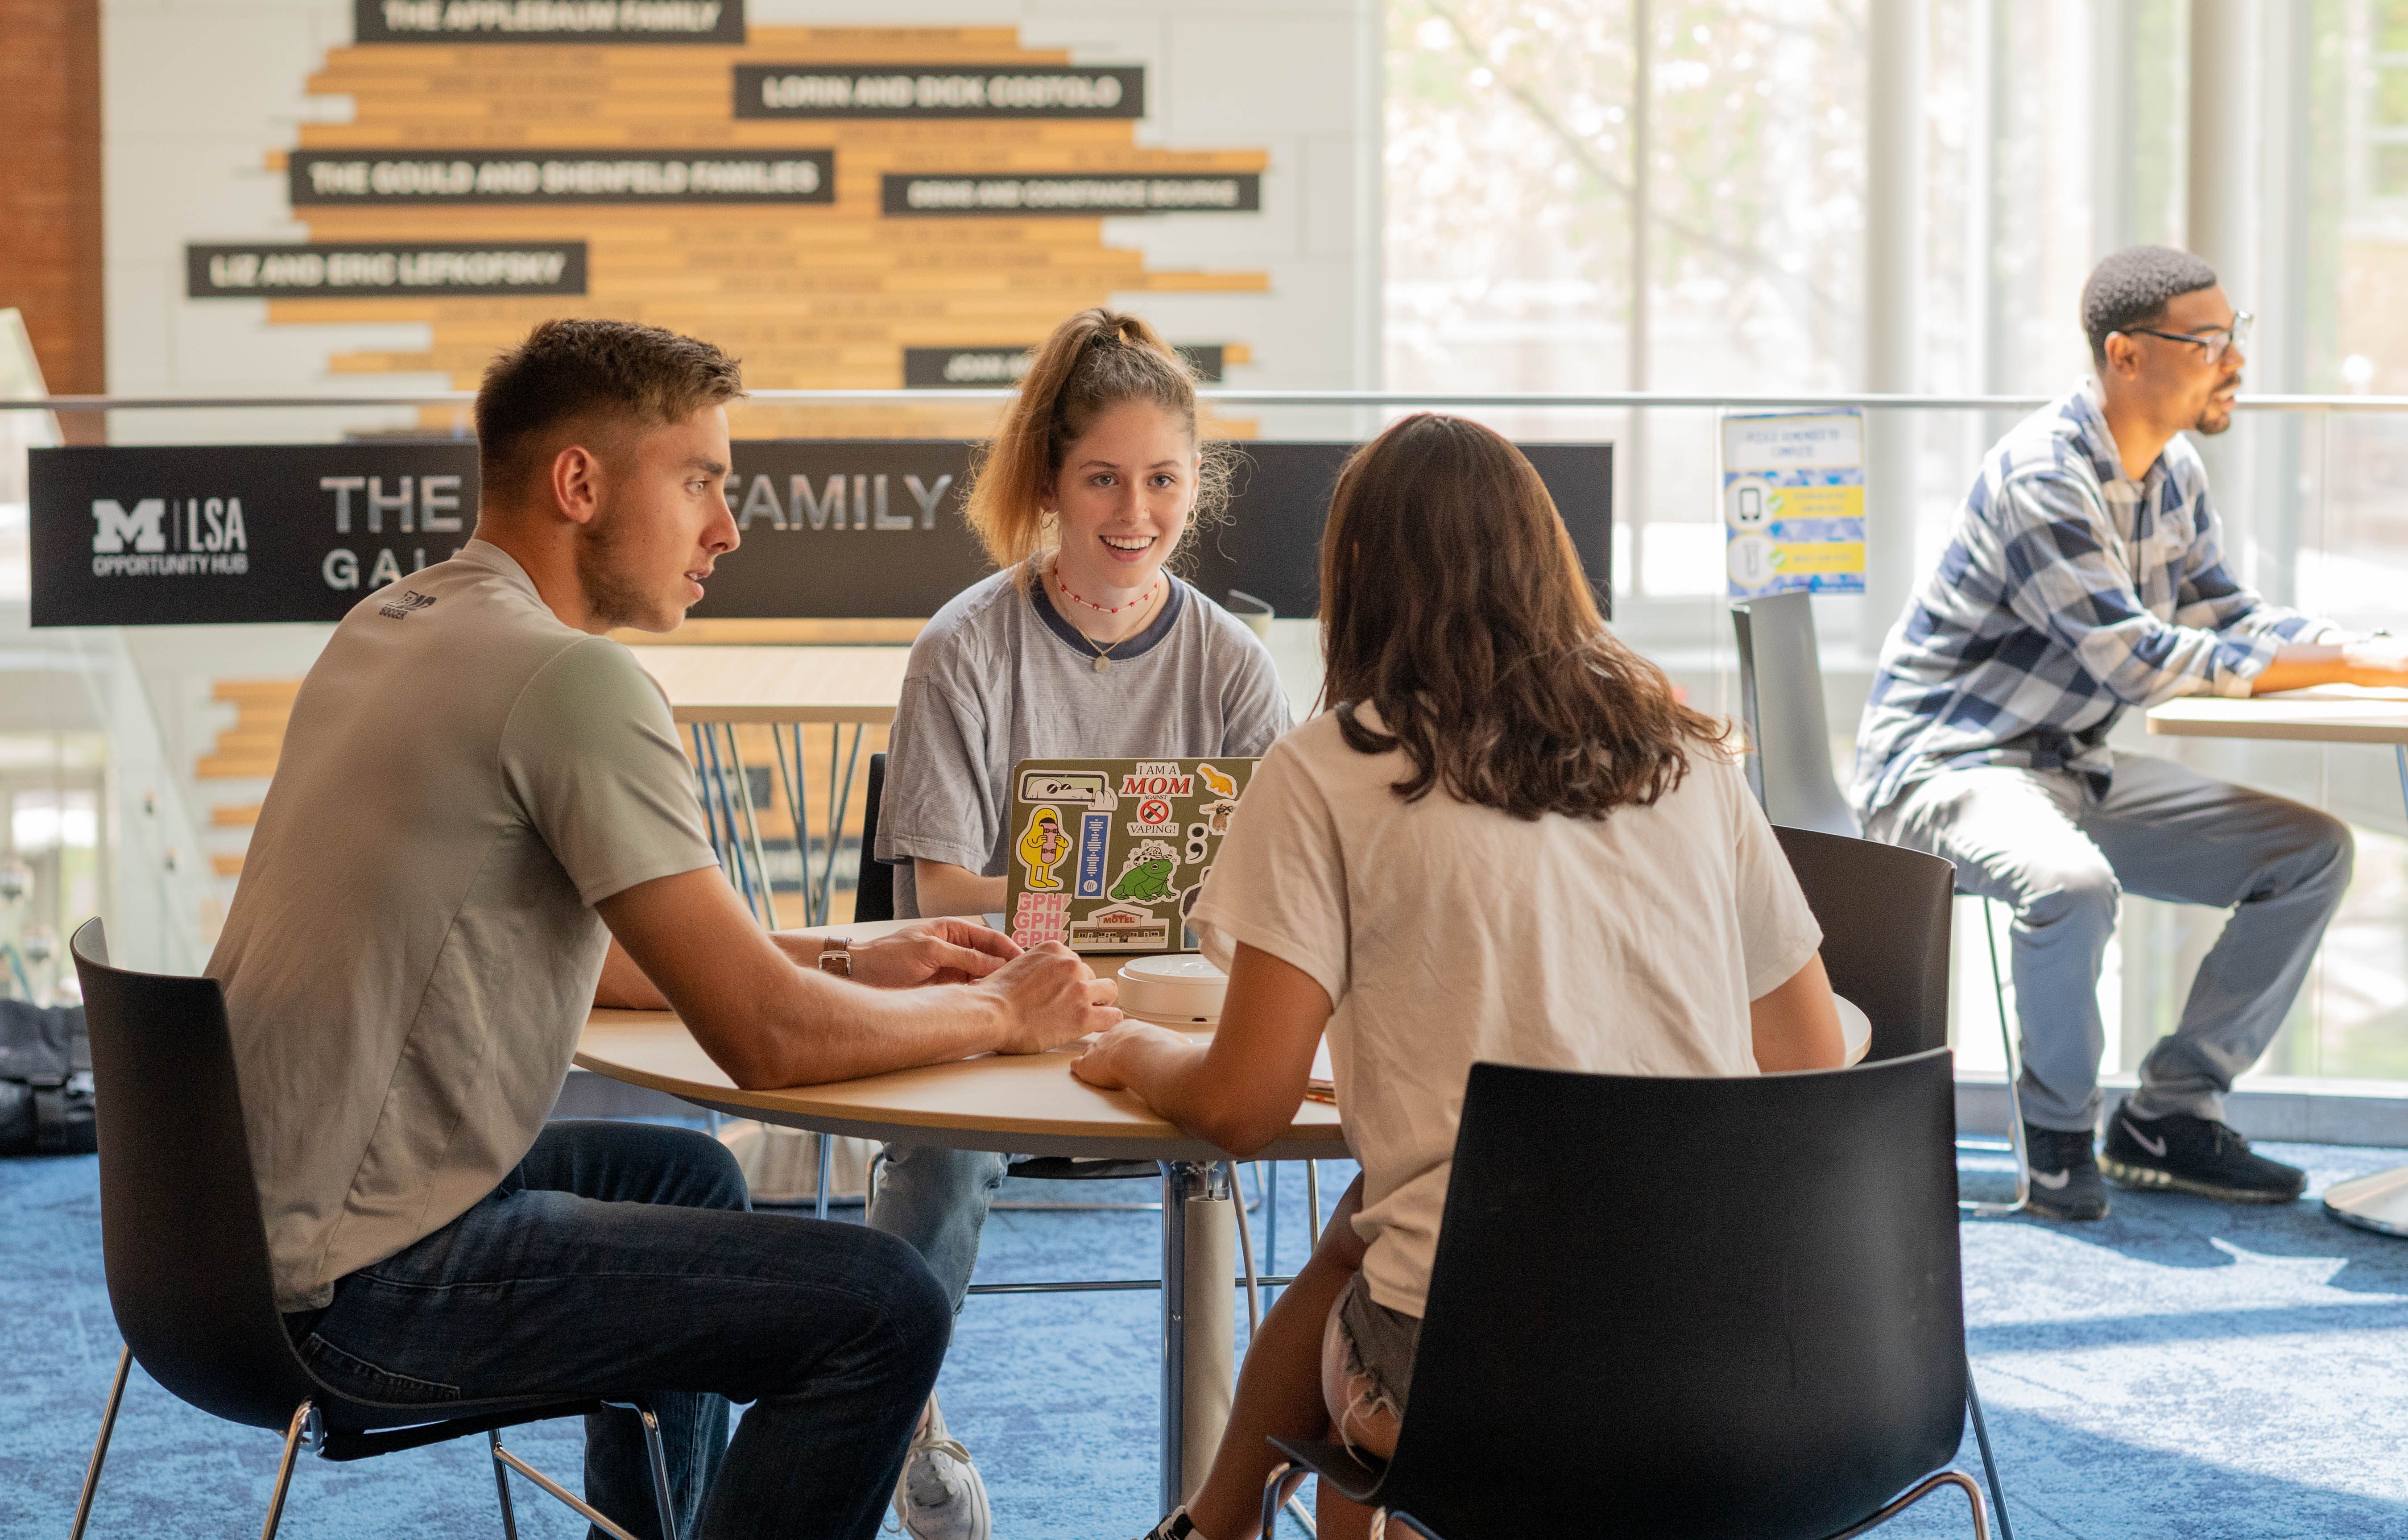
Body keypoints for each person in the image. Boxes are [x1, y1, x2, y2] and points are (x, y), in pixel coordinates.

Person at [207, 318, 1120, 1540]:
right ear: (579, 484)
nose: (727, 530)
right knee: (886, 1305)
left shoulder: (395, 625)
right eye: (701, 482)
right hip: (363, 1293)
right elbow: (764, 1042)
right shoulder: (566, 680)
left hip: (218, 1249)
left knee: (682, 1174)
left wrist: (849, 953)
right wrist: (1002, 1012)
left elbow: (629, 955)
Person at [1070, 413, 1848, 1540]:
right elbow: (1808, 1064)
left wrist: (1137, 1051)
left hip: (1475, 1384)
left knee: (1383, 1261)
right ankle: (1214, 1526)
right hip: (1730, 1358)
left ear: (1354, 578)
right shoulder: (1685, 758)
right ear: (1547, 560)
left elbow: (1243, 1107)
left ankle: (1215, 1527)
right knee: (1379, 1227)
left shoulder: (1331, 769)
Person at [1852, 245, 2408, 1222]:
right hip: (1945, 769)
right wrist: (2352, 667)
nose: (2232, 360)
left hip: (2067, 764)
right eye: (2206, 342)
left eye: (2233, 336)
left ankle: (2169, 1114)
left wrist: (2359, 649)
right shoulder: (2041, 477)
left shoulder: (2169, 471)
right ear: (2124, 355)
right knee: (2066, 886)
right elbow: (2135, 660)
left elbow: (2226, 616)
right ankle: (2059, 1144)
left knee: (2308, 854)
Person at [867, 307, 1292, 1538]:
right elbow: (937, 895)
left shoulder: (1228, 664)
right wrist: (1078, 938)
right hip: (997, 1002)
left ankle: (1215, 1494)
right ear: (1049, 481)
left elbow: (1271, 892)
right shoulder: (965, 647)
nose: (1134, 511)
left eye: (1162, 479)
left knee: (1247, 1124)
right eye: (1101, 477)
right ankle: (903, 1417)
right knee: (940, 1163)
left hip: (1177, 1007)